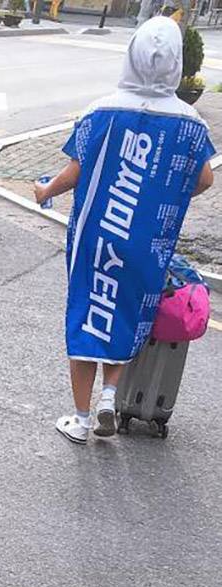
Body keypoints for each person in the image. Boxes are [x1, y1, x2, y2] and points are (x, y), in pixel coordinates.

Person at [35, 17, 214, 445]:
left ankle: (80, 418)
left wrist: (46, 190)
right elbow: (205, 179)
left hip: (96, 235)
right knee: (127, 312)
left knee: (88, 309)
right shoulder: (191, 123)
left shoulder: (103, 111)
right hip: (146, 242)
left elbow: (76, 169)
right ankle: (109, 395)